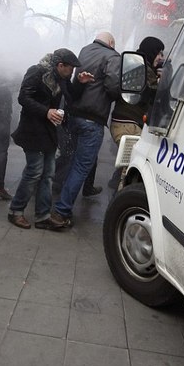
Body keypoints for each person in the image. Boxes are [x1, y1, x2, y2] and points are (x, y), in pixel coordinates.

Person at [8, 49, 92, 230]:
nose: (72, 72)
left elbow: (71, 96)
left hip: (49, 131)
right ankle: (15, 211)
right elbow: (23, 97)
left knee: (48, 175)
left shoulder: (61, 78)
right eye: (71, 69)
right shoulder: (37, 71)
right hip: (32, 130)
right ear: (60, 65)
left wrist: (80, 82)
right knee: (34, 172)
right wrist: (46, 111)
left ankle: (43, 216)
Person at [53, 32, 121, 228]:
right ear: (111, 42)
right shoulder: (112, 56)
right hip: (92, 119)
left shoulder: (84, 50)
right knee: (81, 166)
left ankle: (52, 193)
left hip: (73, 115)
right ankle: (61, 211)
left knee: (70, 157)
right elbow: (113, 87)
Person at [108, 36, 164, 189]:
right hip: (127, 124)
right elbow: (146, 94)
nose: (161, 58)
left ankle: (116, 188)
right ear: (151, 51)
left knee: (128, 161)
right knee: (135, 164)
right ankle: (120, 202)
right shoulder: (141, 68)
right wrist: (162, 82)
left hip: (128, 123)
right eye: (159, 53)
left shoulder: (141, 67)